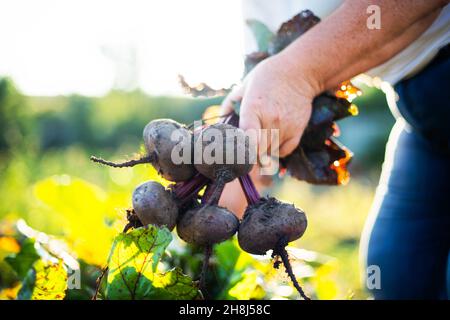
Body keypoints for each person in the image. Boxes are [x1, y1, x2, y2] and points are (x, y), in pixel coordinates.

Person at [219, 0, 450, 299]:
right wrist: (225, 184)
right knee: (395, 273)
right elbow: (262, 94)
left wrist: (300, 73)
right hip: (418, 109)